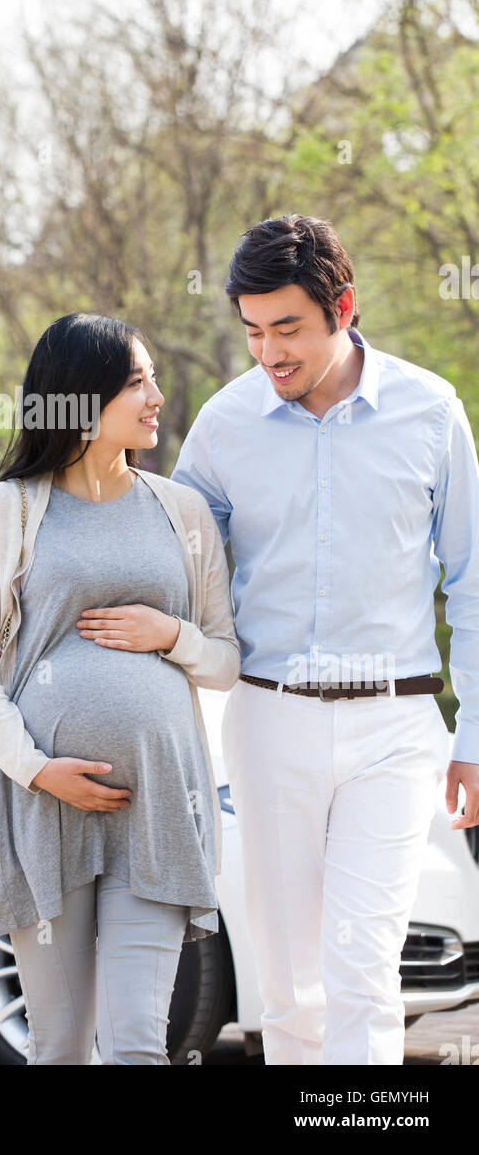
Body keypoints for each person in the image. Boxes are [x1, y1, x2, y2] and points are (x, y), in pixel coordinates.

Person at [171, 212, 479, 1065]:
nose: (270, 354)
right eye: (254, 332)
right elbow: (173, 565)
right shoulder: (226, 424)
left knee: (364, 969)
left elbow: (475, 580)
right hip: (270, 723)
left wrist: (476, 739)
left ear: (343, 307)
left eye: (289, 330)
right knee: (291, 985)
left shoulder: (430, 410)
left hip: (396, 726)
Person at [0, 312, 240, 1064]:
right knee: (60, 1048)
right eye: (135, 381)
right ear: (81, 399)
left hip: (161, 809)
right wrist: (37, 767)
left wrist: (168, 634)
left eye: (150, 377)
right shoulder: (12, 508)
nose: (156, 395)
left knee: (141, 1044)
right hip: (46, 811)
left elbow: (225, 661)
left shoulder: (181, 511)